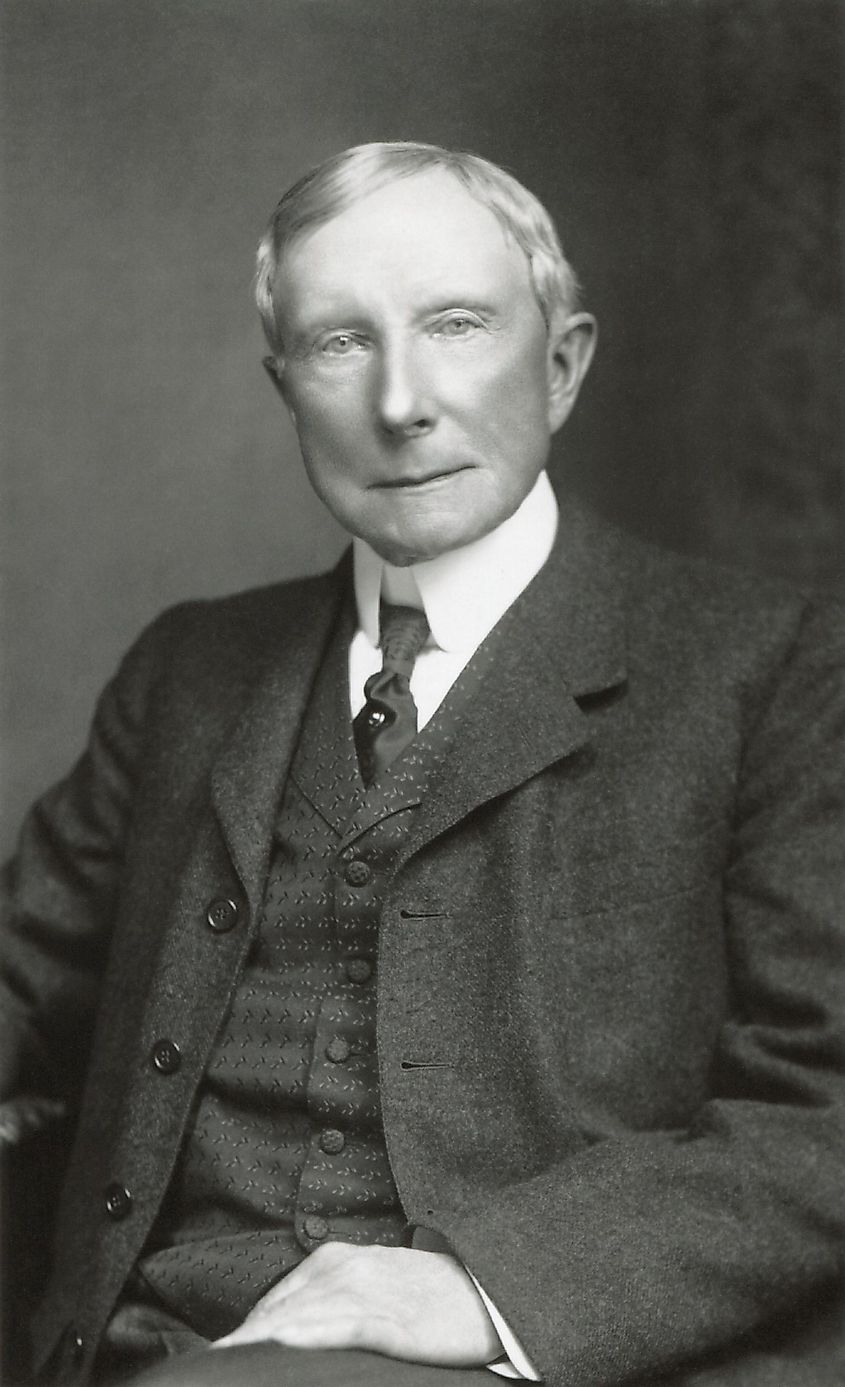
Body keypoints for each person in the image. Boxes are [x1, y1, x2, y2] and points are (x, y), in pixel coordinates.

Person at [1, 141, 843, 1387]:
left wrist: (492, 1288)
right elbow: (24, 982)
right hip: (151, 1346)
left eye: (455, 324)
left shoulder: (773, 669)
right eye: (340, 343)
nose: (400, 400)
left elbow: (822, 1110)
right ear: (283, 382)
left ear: (560, 365)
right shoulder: (189, 670)